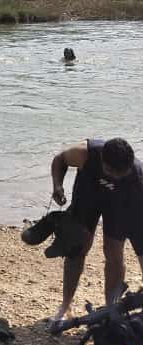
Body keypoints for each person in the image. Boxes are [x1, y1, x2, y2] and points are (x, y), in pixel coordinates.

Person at [48, 138, 143, 323]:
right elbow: (59, 159)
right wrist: (57, 186)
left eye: (120, 174)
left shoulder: (138, 181)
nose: (115, 176)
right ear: (101, 159)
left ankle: (111, 310)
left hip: (121, 203)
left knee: (114, 252)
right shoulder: (85, 153)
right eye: (110, 171)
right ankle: (65, 306)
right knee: (77, 248)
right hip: (88, 195)